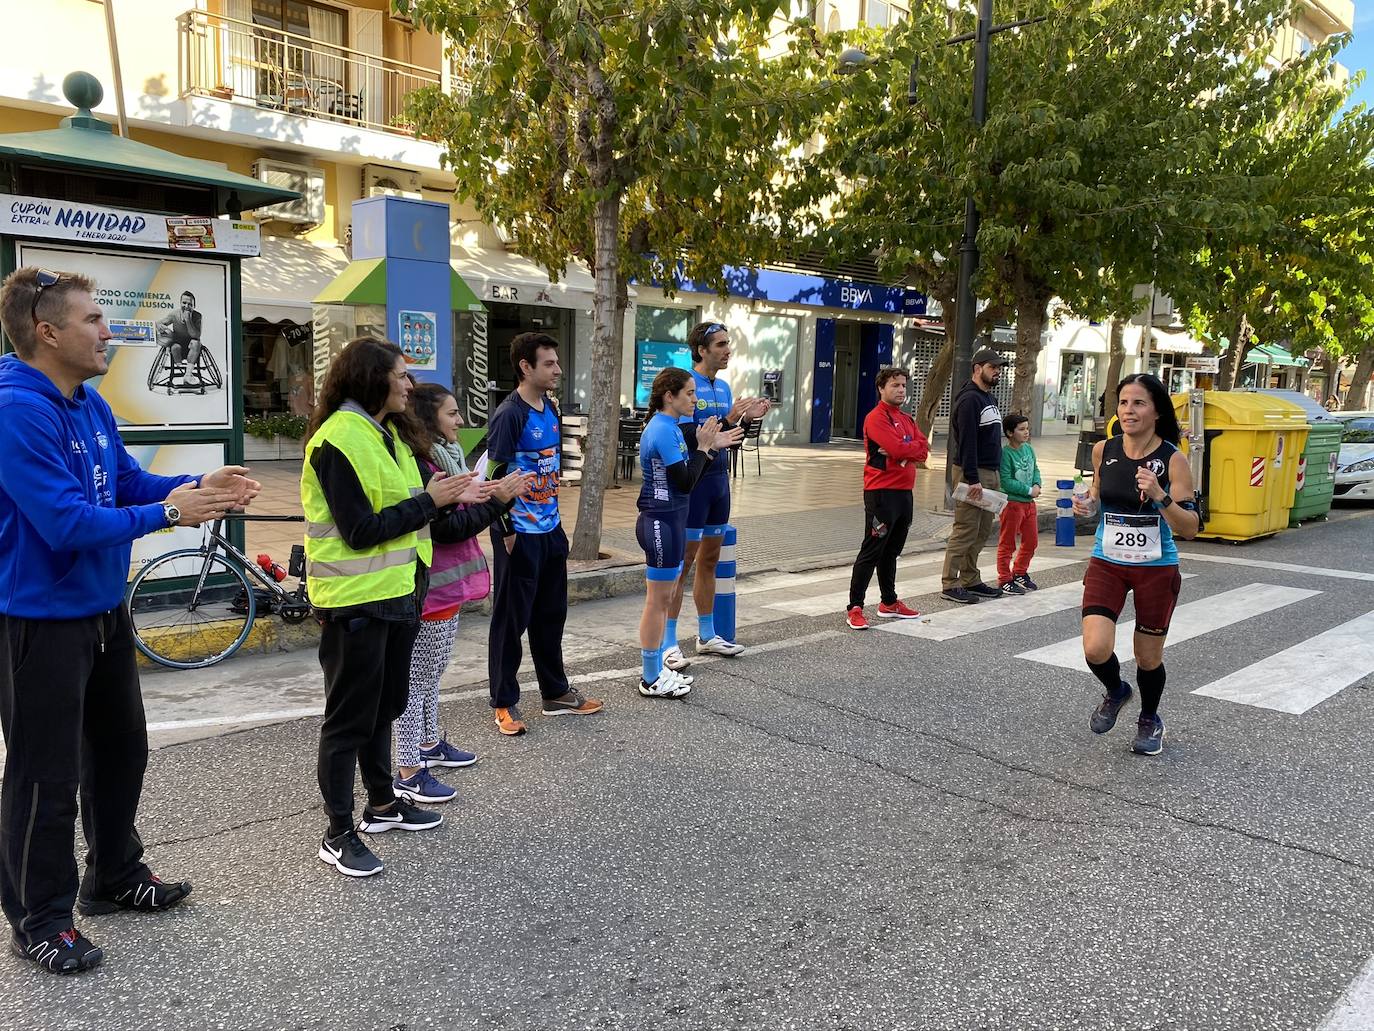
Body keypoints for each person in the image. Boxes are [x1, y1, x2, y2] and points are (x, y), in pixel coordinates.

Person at [0, 267, 259, 972]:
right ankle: (39, 919)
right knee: (43, 775)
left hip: (102, 608)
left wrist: (196, 486)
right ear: (47, 332)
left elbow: (125, 483)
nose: (107, 329)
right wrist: (171, 513)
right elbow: (63, 521)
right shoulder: (16, 409)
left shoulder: (88, 402)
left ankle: (111, 875)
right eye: (92, 319)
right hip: (40, 619)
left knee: (121, 749)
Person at [303, 337, 488, 878]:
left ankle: (382, 803)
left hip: (398, 595)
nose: (410, 385)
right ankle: (337, 833)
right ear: (372, 378)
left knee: (385, 707)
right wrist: (432, 501)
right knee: (347, 722)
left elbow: (409, 505)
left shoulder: (385, 434)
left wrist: (447, 494)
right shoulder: (338, 438)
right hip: (355, 603)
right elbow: (360, 530)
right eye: (402, 376)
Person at [390, 383, 531, 802]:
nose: (461, 422)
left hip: (446, 587)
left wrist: (490, 497)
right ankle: (408, 767)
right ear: (428, 419)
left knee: (431, 674)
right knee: (415, 681)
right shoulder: (421, 464)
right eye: (452, 414)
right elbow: (447, 527)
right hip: (428, 586)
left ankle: (429, 744)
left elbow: (459, 512)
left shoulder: (445, 457)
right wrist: (498, 503)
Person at [1073, 373, 1201, 757]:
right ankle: (1116, 690)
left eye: (1139, 403)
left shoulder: (1173, 460)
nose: (1129, 410)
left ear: (1157, 410)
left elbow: (1191, 527)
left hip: (1156, 567)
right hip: (1107, 560)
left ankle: (1149, 718)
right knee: (1095, 648)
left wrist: (1161, 496)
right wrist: (1087, 504)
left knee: (1148, 656)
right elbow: (1097, 494)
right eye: (1124, 402)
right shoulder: (1104, 450)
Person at [486, 332, 602, 736]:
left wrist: (558, 527)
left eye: (557, 362)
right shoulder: (509, 415)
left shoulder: (550, 408)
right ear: (525, 367)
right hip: (519, 535)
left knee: (551, 617)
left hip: (551, 532)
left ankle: (555, 694)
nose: (558, 369)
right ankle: (503, 701)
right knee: (510, 621)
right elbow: (493, 475)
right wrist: (504, 530)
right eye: (549, 363)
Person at [662, 322, 769, 670]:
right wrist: (727, 417)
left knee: (710, 560)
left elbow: (730, 435)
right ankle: (667, 642)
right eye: (720, 345)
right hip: (693, 484)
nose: (727, 350)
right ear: (702, 349)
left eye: (728, 344)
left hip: (719, 482)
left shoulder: (723, 386)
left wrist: (748, 419)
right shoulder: (684, 386)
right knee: (682, 565)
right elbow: (685, 435)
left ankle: (706, 635)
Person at [635, 367, 738, 696]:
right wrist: (704, 448)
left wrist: (708, 448)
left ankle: (655, 672)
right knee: (657, 602)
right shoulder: (663, 430)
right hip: (660, 520)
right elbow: (684, 481)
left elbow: (689, 474)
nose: (696, 400)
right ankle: (651, 676)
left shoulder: (673, 427)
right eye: (690, 394)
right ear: (670, 396)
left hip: (671, 519)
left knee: (661, 600)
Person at [845, 367, 930, 630]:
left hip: (905, 493)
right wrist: (903, 451)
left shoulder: (906, 418)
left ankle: (889, 602)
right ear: (882, 388)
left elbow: (924, 449)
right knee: (872, 550)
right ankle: (855, 607)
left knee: (892, 551)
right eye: (895, 385)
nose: (901, 390)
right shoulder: (876, 417)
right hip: (881, 492)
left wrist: (908, 450)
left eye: (904, 385)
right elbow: (894, 448)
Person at [941, 346, 1009, 605]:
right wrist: (972, 478)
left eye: (999, 368)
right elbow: (966, 443)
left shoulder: (987, 397)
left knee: (981, 531)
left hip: (989, 472)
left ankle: (971, 578)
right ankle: (950, 583)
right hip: (973, 473)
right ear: (977, 368)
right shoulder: (970, 399)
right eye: (993, 368)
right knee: (965, 529)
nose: (997, 372)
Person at [996, 413, 1042, 596]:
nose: (1026, 432)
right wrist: (1029, 490)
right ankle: (1004, 578)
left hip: (1029, 505)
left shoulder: (1029, 449)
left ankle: (1020, 572)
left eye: (1027, 429)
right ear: (1009, 433)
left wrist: (1037, 484)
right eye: (1021, 429)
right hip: (1013, 504)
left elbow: (1035, 469)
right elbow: (1006, 481)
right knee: (1007, 543)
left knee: (1031, 541)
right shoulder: (1006, 454)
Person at [156, 290, 204, 387]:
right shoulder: (174, 314)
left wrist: (188, 320)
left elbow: (195, 335)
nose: (186, 306)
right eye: (184, 303)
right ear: (180, 303)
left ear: (194, 306)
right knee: (175, 347)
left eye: (190, 304)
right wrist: (160, 326)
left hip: (192, 348)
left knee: (196, 343)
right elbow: (158, 323)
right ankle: (180, 367)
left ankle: (188, 375)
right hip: (177, 347)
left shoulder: (197, 316)